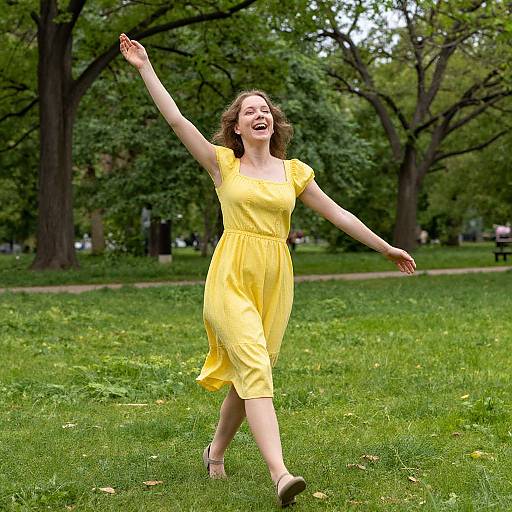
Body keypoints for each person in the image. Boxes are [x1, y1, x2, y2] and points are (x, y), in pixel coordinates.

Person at [119, 33, 416, 508]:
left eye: (265, 111)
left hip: (276, 278)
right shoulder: (223, 166)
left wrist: (385, 247)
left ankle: (214, 452)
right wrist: (145, 68)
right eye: (248, 111)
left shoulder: (293, 172)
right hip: (232, 273)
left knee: (249, 375)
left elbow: (339, 215)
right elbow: (177, 120)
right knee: (255, 367)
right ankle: (281, 474)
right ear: (235, 127)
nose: (259, 115)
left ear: (273, 124)